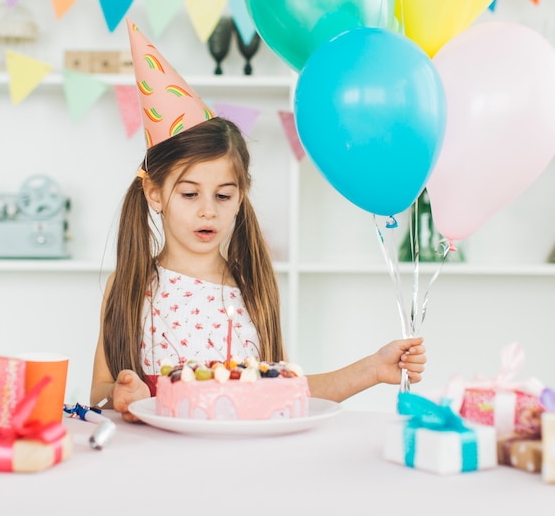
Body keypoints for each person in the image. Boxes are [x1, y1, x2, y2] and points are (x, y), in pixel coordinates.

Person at [90, 22, 426, 422]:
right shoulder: (130, 286)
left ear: (240, 197)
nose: (208, 210)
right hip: (154, 466)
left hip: (245, 467)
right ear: (155, 195)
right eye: (190, 193)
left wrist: (372, 368)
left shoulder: (252, 286)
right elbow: (98, 391)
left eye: (223, 195)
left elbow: (284, 391)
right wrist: (122, 394)